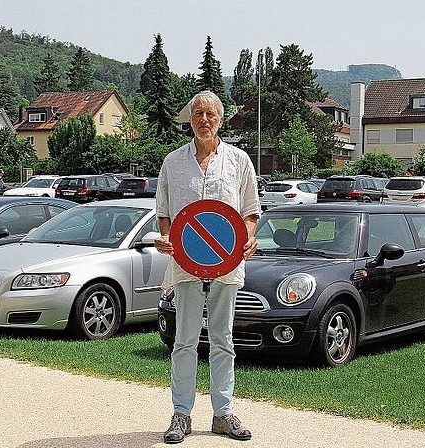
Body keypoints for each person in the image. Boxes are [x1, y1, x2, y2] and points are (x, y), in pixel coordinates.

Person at [154, 90, 260, 444]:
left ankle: (223, 413)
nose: (204, 119)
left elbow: (249, 212)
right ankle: (181, 414)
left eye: (210, 114)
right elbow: (166, 213)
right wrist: (167, 238)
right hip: (184, 263)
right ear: (190, 119)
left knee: (223, 339)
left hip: (226, 264)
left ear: (220, 119)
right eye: (198, 113)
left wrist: (248, 239)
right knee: (183, 340)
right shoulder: (172, 162)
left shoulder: (240, 161)